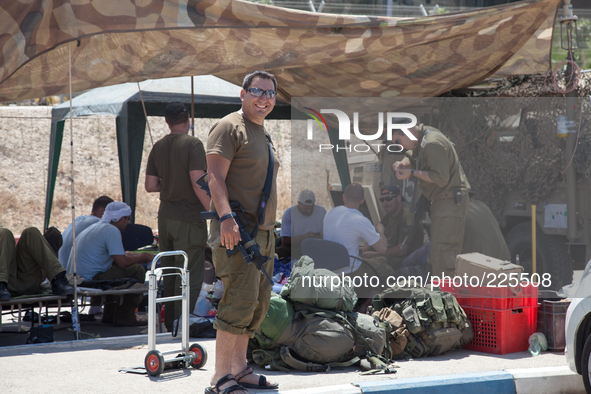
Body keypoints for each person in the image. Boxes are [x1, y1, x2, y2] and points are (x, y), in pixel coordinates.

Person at [205, 70, 279, 393]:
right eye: (257, 91)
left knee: (257, 305)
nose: (264, 98)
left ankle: (239, 368)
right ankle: (220, 377)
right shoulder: (228, 127)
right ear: (243, 94)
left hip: (263, 234)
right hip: (237, 232)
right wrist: (226, 219)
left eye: (270, 93)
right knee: (237, 302)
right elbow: (214, 177)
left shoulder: (263, 133)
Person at [145, 102, 210, 333]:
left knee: (171, 271)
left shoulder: (158, 146)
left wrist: (170, 183)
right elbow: (197, 181)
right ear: (188, 119)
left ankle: (170, 320)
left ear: (167, 121)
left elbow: (150, 186)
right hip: (189, 217)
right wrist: (216, 211)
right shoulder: (193, 144)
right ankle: (185, 322)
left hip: (165, 218)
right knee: (190, 271)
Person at [392, 121, 471, 277]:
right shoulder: (423, 139)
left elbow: (440, 178)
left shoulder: (432, 142)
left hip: (449, 202)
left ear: (405, 131)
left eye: (397, 141)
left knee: (444, 258)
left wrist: (412, 172)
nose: (400, 147)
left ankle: (447, 297)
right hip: (443, 203)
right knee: (437, 255)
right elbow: (413, 156)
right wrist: (403, 163)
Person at [68, 201, 153, 326]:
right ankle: (125, 316)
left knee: (113, 270)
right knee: (137, 269)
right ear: (121, 218)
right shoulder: (111, 230)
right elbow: (123, 263)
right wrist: (144, 257)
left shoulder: (98, 226)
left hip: (77, 277)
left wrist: (131, 256)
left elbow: (113, 257)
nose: (128, 223)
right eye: (127, 219)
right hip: (89, 279)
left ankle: (110, 314)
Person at [323, 183, 387, 275]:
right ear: (362, 200)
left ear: (344, 197)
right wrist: (381, 231)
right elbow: (383, 249)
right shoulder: (361, 220)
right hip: (349, 271)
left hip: (328, 269)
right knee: (383, 267)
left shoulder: (329, 213)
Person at [360, 185, 423, 275]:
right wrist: (364, 250)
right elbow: (376, 234)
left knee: (372, 264)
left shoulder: (407, 217)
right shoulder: (388, 216)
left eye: (389, 198)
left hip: (404, 259)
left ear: (399, 198)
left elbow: (402, 250)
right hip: (389, 255)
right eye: (382, 200)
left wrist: (375, 254)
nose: (385, 203)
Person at [0, 227, 74, 301]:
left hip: (27, 281)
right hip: (6, 280)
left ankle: (58, 278)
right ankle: (1, 284)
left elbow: (43, 276)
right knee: (4, 233)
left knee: (31, 232)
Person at [59, 196, 114, 268]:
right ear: (102, 211)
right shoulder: (98, 223)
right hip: (72, 273)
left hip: (62, 268)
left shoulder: (79, 219)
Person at [278, 189, 326, 261]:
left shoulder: (322, 212)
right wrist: (304, 238)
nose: (309, 211)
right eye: (305, 208)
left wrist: (320, 237)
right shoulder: (289, 214)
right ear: (298, 203)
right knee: (280, 251)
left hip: (315, 247)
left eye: (311, 208)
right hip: (295, 247)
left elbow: (326, 235)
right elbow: (284, 241)